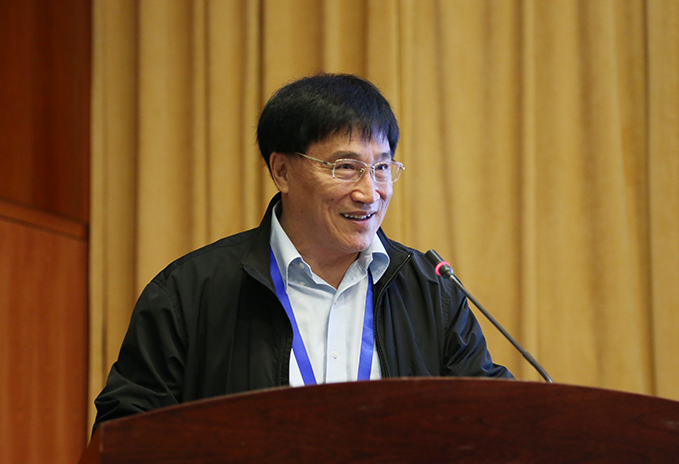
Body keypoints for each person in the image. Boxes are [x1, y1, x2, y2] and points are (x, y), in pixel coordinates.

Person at [93, 73, 512, 430]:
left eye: (382, 168)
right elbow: (125, 433)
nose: (369, 193)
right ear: (282, 171)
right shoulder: (189, 292)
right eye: (346, 167)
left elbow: (493, 421)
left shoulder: (432, 291)